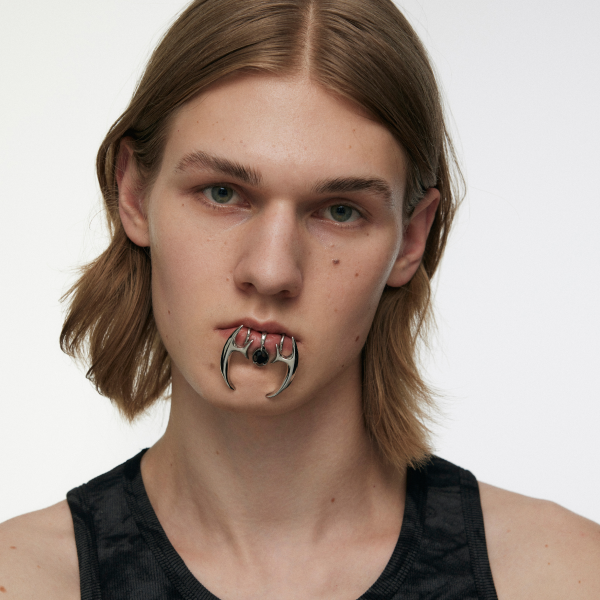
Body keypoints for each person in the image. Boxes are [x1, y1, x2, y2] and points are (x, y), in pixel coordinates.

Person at [1, 0, 598, 598]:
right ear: (134, 193)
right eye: (221, 193)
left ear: (411, 237)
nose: (270, 272)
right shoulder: (24, 580)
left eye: (340, 211)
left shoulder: (564, 576)